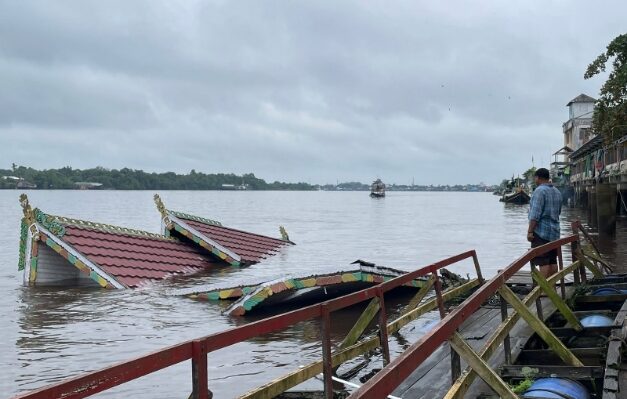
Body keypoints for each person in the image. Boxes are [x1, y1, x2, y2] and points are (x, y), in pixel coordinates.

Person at [527, 168, 562, 278]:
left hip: (542, 233)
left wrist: (530, 231)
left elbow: (535, 215)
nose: (535, 180)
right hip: (555, 233)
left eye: (535, 178)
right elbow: (559, 212)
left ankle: (542, 290)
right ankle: (551, 289)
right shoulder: (557, 191)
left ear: (538, 178)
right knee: (552, 261)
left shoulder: (539, 191)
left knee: (543, 262)